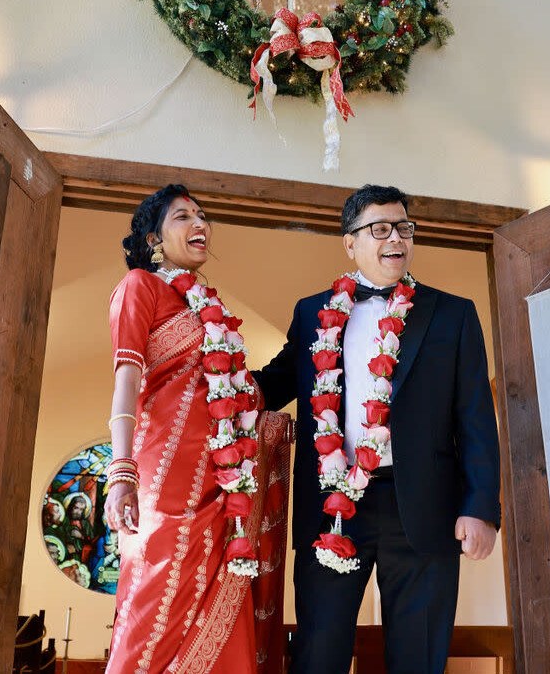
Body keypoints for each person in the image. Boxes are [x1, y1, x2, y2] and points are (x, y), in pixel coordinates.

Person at [254, 184, 501, 674]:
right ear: (350, 243)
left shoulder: (452, 314)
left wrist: (480, 509)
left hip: (423, 507)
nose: (396, 239)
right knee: (318, 654)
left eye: (404, 228)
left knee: (418, 655)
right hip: (332, 507)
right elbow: (275, 382)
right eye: (380, 229)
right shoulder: (311, 314)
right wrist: (207, 385)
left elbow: (474, 417)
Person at [102, 185, 289, 673]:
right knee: (150, 614)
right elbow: (126, 381)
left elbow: (240, 396)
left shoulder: (211, 309)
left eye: (203, 216)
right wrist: (120, 470)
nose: (200, 224)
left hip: (222, 490)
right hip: (164, 486)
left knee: (223, 623)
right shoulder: (139, 287)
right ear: (153, 238)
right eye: (183, 216)